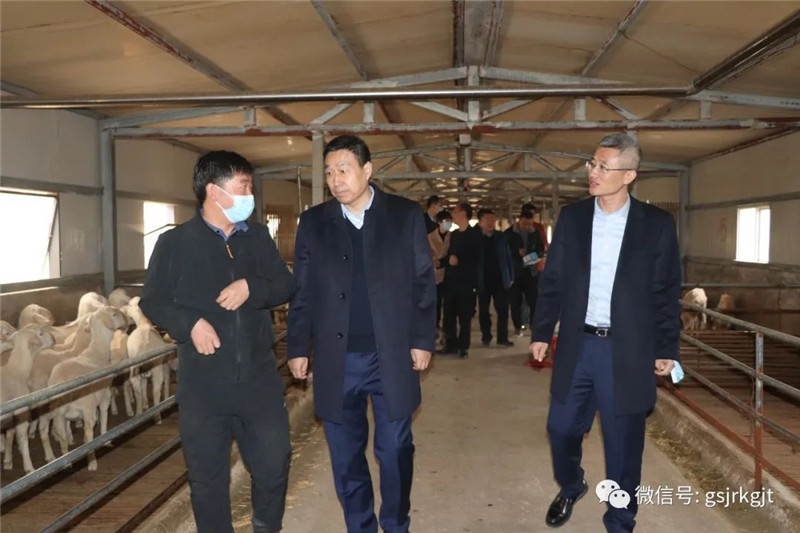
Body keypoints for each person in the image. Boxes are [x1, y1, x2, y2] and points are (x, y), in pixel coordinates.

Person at [530, 133, 681, 533]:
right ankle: (572, 485)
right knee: (560, 428)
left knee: (623, 446)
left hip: (628, 351)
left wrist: (667, 346)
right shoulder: (573, 218)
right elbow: (554, 280)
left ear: (629, 175)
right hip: (579, 344)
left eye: (603, 167)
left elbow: (666, 291)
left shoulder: (656, 225)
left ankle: (620, 521)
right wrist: (542, 330)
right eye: (592, 164)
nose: (593, 173)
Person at [140, 151, 295, 533]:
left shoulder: (258, 237)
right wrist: (189, 323)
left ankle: (266, 526)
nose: (250, 194)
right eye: (243, 186)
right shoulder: (175, 243)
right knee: (208, 479)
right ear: (214, 191)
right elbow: (152, 301)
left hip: (259, 380)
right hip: (203, 385)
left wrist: (252, 287)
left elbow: (285, 284)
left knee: (274, 463)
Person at [287, 135, 436, 533]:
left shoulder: (404, 215)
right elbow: (302, 290)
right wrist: (298, 346)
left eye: (344, 170)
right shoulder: (314, 223)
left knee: (395, 448)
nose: (336, 180)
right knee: (345, 455)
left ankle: (396, 523)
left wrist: (422, 339)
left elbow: (423, 282)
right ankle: (361, 525)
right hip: (337, 359)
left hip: (392, 354)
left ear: (367, 171)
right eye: (329, 172)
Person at [438, 202, 482, 358]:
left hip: (466, 282)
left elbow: (477, 258)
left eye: (455, 212)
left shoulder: (474, 235)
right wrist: (440, 263)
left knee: (464, 316)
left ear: (463, 214)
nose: (452, 215)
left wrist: (460, 261)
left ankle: (463, 346)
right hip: (450, 282)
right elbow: (449, 256)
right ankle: (450, 344)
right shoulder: (454, 234)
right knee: (448, 315)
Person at [475, 209, 514, 347]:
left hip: (500, 279)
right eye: (487, 219)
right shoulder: (476, 238)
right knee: (484, 311)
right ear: (480, 222)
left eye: (492, 219)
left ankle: (502, 338)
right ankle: (486, 336)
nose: (490, 222)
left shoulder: (501, 237)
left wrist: (511, 275)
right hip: (482, 280)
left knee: (503, 310)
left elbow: (508, 257)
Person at [505, 208, 545, 336]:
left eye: (530, 224)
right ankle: (518, 327)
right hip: (515, 273)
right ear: (519, 220)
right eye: (525, 224)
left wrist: (527, 258)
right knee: (515, 301)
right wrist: (517, 253)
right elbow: (505, 253)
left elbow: (541, 251)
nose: (527, 227)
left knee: (534, 300)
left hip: (531, 272)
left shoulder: (535, 233)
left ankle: (534, 325)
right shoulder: (509, 233)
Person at [428, 209, 452, 333]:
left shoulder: (452, 236)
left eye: (450, 221)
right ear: (439, 222)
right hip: (435, 274)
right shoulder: (430, 237)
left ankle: (447, 328)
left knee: (448, 303)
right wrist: (433, 261)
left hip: (448, 273)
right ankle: (435, 325)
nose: (449, 224)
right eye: (446, 221)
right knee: (436, 302)